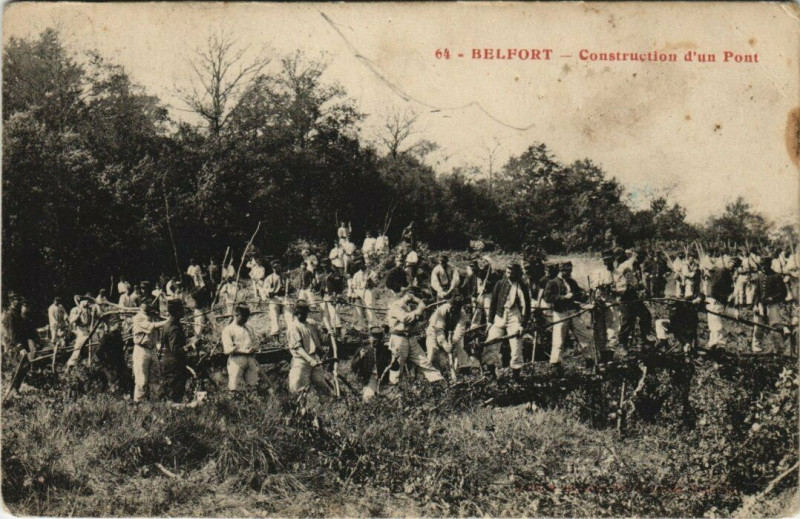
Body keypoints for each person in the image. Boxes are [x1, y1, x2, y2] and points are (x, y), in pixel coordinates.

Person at [386, 287, 444, 385]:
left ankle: (438, 382)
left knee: (424, 362)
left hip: (411, 338)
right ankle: (396, 391)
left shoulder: (413, 306)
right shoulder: (396, 305)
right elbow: (404, 318)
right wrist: (419, 309)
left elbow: (420, 319)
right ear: (407, 295)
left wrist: (420, 307)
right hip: (399, 338)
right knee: (397, 367)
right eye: (412, 296)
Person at [544, 262, 596, 365]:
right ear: (561, 270)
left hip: (574, 312)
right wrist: (563, 297)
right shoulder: (552, 282)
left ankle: (590, 361)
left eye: (570, 270)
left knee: (584, 336)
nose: (570, 273)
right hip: (560, 314)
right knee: (558, 340)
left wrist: (584, 294)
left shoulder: (571, 282)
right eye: (567, 271)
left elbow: (577, 294)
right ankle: (556, 365)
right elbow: (547, 297)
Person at [485, 263, 531, 379]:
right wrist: (490, 321)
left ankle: (516, 375)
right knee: (491, 342)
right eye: (507, 272)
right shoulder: (500, 284)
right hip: (500, 315)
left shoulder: (522, 286)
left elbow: (526, 307)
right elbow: (493, 303)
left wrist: (522, 325)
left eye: (512, 273)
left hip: (514, 315)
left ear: (517, 273)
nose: (509, 275)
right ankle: (491, 374)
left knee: (516, 345)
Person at [425, 295, 477, 376]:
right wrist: (444, 344)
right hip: (434, 331)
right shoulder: (442, 310)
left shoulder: (462, 313)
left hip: (450, 332)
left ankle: (465, 370)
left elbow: (460, 330)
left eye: (457, 308)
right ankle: (433, 376)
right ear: (450, 305)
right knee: (432, 352)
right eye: (453, 307)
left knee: (460, 347)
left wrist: (453, 341)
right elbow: (439, 330)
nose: (454, 310)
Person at [288, 300, 331, 394]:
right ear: (296, 313)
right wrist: (310, 361)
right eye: (302, 313)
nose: (305, 315)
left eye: (306, 313)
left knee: (321, 384)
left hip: (315, 358)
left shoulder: (311, 324)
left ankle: (326, 405)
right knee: (299, 387)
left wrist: (329, 335)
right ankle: (301, 407)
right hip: (302, 360)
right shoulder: (294, 327)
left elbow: (323, 340)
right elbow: (298, 348)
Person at [614, 249, 653, 352]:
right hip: (625, 297)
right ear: (637, 256)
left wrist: (646, 292)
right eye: (642, 258)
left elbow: (638, 283)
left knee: (646, 315)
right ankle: (622, 343)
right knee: (628, 320)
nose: (643, 261)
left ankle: (644, 339)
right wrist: (641, 290)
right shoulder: (627, 266)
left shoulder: (637, 266)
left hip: (633, 296)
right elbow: (633, 283)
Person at [751, 256, 788, 354]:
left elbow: (783, 293)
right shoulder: (760, 277)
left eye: (765, 265)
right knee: (758, 326)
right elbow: (757, 293)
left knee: (775, 326)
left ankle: (779, 348)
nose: (763, 267)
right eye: (762, 265)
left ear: (770, 265)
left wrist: (773, 298)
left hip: (773, 305)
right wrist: (755, 305)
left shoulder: (776, 277)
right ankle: (756, 348)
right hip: (760, 305)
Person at [221, 304, 260, 391]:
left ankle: (252, 401)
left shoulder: (249, 327)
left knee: (252, 385)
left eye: (247, 317)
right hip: (236, 360)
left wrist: (254, 347)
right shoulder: (228, 330)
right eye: (244, 317)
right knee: (235, 387)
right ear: (236, 315)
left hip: (250, 359)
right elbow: (227, 350)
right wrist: (243, 351)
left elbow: (256, 341)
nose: (246, 320)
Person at [159, 299, 189, 402]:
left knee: (169, 394)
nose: (184, 311)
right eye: (182, 309)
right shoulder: (174, 328)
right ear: (177, 312)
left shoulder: (167, 325)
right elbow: (176, 350)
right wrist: (191, 346)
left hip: (167, 363)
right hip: (174, 366)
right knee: (175, 396)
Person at [705, 256, 737, 349]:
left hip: (719, 302)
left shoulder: (727, 273)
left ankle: (716, 346)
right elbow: (714, 288)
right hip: (715, 301)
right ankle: (716, 347)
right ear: (728, 262)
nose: (733, 267)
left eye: (735, 266)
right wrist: (725, 297)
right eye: (732, 264)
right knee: (716, 326)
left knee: (718, 325)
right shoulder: (722, 272)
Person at [95, 315, 132, 394]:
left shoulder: (118, 335)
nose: (120, 326)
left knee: (121, 382)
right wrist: (105, 362)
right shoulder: (106, 337)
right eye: (118, 324)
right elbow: (98, 352)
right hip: (111, 364)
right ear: (112, 325)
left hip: (120, 363)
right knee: (113, 383)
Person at [591, 249, 620, 347]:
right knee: (599, 329)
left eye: (609, 260)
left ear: (613, 259)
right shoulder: (598, 272)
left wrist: (613, 289)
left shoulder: (618, 274)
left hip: (612, 304)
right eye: (605, 260)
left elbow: (622, 289)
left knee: (612, 330)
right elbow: (593, 286)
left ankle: (609, 356)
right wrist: (600, 286)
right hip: (600, 304)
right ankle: (601, 356)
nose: (607, 262)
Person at [66, 294, 93, 370]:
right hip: (81, 330)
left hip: (89, 330)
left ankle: (89, 363)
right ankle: (70, 365)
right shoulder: (75, 309)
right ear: (81, 302)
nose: (88, 302)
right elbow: (71, 321)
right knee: (78, 348)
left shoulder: (89, 309)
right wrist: (78, 314)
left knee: (94, 345)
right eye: (86, 301)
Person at [321, 259, 345, 337]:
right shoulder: (325, 274)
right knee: (324, 314)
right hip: (324, 296)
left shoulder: (335, 274)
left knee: (334, 313)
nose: (324, 268)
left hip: (332, 296)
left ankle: (337, 331)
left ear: (329, 265)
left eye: (325, 266)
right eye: (323, 267)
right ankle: (328, 329)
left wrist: (337, 295)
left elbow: (340, 286)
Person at [263, 261, 284, 336]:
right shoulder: (269, 278)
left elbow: (290, 288)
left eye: (278, 267)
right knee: (274, 315)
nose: (277, 269)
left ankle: (292, 332)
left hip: (284, 297)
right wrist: (268, 292)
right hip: (274, 298)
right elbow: (265, 289)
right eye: (275, 268)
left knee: (289, 314)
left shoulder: (285, 276)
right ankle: (276, 333)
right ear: (272, 268)